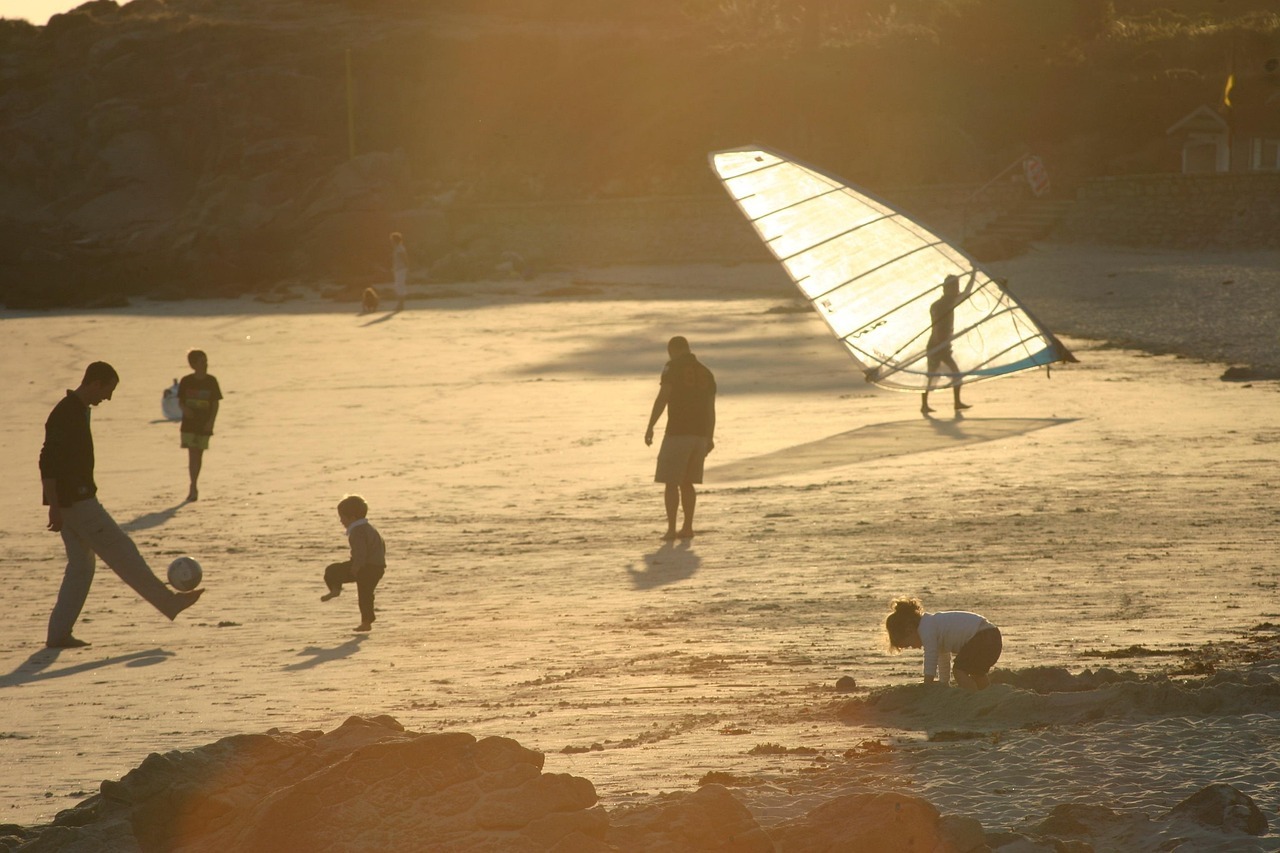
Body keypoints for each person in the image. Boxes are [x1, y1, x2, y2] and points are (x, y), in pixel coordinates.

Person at [41, 362, 204, 649]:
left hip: (73, 502)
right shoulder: (67, 413)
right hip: (77, 503)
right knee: (122, 552)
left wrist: (57, 506)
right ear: (94, 383)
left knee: (81, 568)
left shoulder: (76, 410)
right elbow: (47, 462)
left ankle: (58, 634)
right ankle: (169, 602)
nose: (108, 397)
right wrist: (54, 506)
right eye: (108, 390)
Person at [644, 336, 716, 541]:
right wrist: (709, 437)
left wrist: (650, 426)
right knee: (688, 482)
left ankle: (671, 529)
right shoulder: (706, 373)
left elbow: (663, 397)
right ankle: (688, 527)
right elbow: (711, 410)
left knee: (670, 482)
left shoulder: (672, 367)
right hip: (700, 435)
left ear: (672, 350)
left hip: (677, 433)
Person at [884, 597, 1002, 690]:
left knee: (959, 670)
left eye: (909, 644)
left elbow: (931, 656)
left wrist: (927, 684)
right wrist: (944, 683)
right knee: (976, 672)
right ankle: (986, 694)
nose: (915, 647)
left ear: (909, 629)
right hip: (993, 636)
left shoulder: (927, 628)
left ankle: (972, 698)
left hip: (983, 637)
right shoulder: (935, 627)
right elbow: (943, 658)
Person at [320, 495, 387, 633]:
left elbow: (360, 552)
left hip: (366, 567)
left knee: (333, 571)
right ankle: (366, 621)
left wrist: (356, 567)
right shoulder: (369, 528)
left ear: (352, 517)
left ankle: (336, 589)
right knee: (366, 594)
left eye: (342, 517)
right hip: (377, 567)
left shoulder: (357, 531)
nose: (341, 520)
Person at [921, 271, 977, 415]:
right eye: (954, 287)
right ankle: (925, 404)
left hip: (941, 345)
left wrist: (974, 274)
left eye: (957, 286)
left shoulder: (944, 303)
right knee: (935, 376)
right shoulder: (941, 305)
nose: (957, 290)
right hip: (936, 346)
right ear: (946, 289)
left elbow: (966, 292)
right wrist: (940, 345)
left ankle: (955, 403)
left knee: (950, 374)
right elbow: (938, 327)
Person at [178, 349, 222, 502]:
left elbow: (215, 404)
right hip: (189, 424)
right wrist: (185, 409)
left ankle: (194, 484)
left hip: (204, 424)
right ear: (193, 364)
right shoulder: (186, 381)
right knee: (192, 454)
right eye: (201, 361)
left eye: (206, 361)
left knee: (199, 454)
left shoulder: (211, 381)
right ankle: (193, 486)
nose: (205, 364)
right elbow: (180, 401)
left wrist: (211, 422)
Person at [390, 232, 409, 312]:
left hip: (401, 269)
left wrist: (407, 267)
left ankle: (400, 305)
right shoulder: (397, 248)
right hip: (398, 269)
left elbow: (405, 258)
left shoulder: (400, 248)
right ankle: (400, 304)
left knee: (399, 286)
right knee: (398, 286)